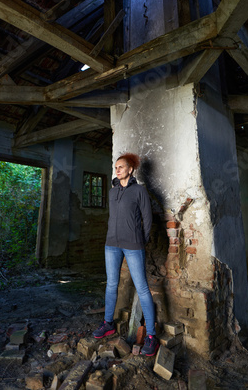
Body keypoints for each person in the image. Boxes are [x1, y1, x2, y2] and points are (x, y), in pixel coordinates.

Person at [93, 152, 159, 357]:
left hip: (133, 245)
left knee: (142, 287)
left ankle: (151, 336)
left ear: (130, 170)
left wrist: (141, 240)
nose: (117, 169)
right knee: (111, 284)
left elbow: (147, 219)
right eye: (116, 167)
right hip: (111, 244)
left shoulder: (139, 191)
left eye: (121, 166)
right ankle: (108, 323)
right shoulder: (113, 192)